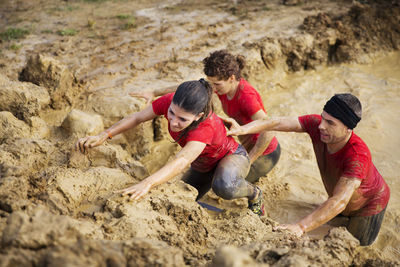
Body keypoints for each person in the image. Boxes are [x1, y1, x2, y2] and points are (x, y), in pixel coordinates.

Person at [75, 79, 265, 216]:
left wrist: (147, 183)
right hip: (203, 163)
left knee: (224, 186)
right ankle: (219, 215)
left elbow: (181, 160)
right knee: (183, 199)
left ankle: (255, 194)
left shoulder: (204, 128)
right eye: (171, 113)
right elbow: (137, 117)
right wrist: (104, 135)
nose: (173, 122)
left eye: (182, 119)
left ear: (198, 115)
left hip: (231, 156)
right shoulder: (171, 101)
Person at [226, 93, 390, 246]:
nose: (321, 126)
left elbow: (339, 201)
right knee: (331, 219)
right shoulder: (317, 125)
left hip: (369, 205)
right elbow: (277, 122)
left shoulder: (357, 156)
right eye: (323, 118)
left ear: (348, 129)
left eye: (330, 123)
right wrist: (243, 129)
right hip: (341, 197)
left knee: (354, 245)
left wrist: (300, 226)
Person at [130, 50, 281, 185]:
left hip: (265, 153)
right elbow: (190, 90)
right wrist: (155, 92)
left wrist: (250, 159)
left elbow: (269, 128)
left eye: (217, 84)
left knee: (229, 184)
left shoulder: (246, 97)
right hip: (246, 146)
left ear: (232, 78)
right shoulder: (224, 88)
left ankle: (256, 204)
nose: (213, 88)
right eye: (211, 83)